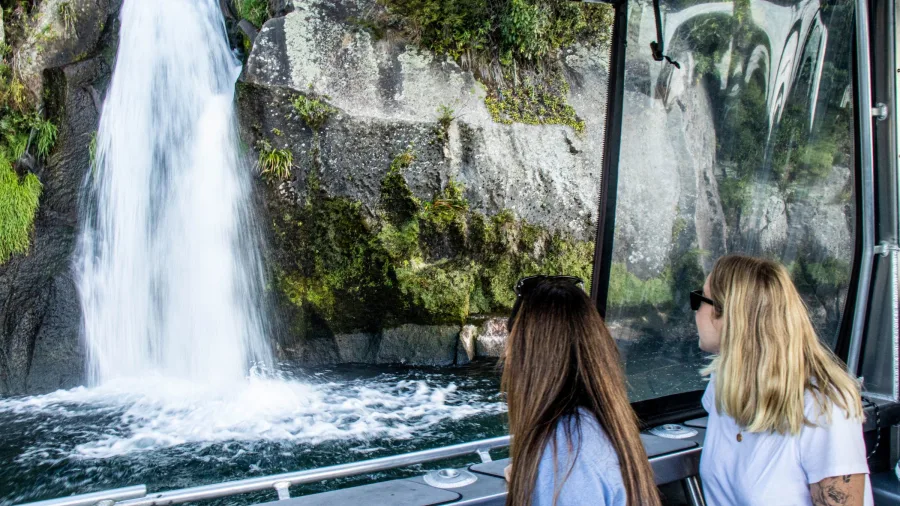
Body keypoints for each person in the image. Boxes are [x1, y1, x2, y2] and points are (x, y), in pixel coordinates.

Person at [693, 255, 872, 505]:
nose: (695, 311)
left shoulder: (823, 408)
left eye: (699, 299)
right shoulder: (721, 386)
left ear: (731, 316)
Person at [503, 275, 661, 506]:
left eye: (514, 341)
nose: (507, 356)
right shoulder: (601, 425)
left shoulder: (566, 456)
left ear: (535, 356)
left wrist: (543, 477)